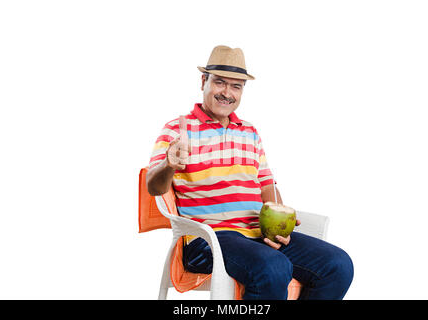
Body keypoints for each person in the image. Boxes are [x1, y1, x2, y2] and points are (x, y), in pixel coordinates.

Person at [146, 45, 354, 299]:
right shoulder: (177, 130)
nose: (227, 93)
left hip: (257, 235)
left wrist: (279, 224)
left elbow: (267, 186)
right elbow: (153, 187)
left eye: (236, 86)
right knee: (273, 267)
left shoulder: (250, 133)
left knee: (338, 265)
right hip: (209, 238)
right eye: (220, 83)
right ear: (204, 81)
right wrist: (169, 164)